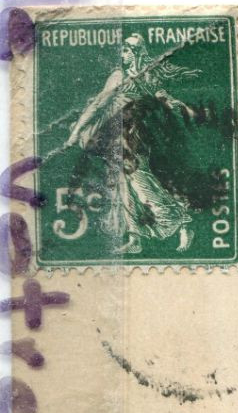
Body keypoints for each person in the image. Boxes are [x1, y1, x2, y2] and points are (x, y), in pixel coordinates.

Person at [64, 34, 200, 254]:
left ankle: (183, 221)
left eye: (129, 50)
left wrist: (176, 104)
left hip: (134, 139)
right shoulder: (118, 76)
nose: (124, 54)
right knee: (123, 185)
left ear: (138, 53)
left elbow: (163, 99)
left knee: (141, 185)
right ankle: (135, 237)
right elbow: (98, 105)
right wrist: (76, 132)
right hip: (112, 137)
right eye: (124, 49)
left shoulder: (147, 78)